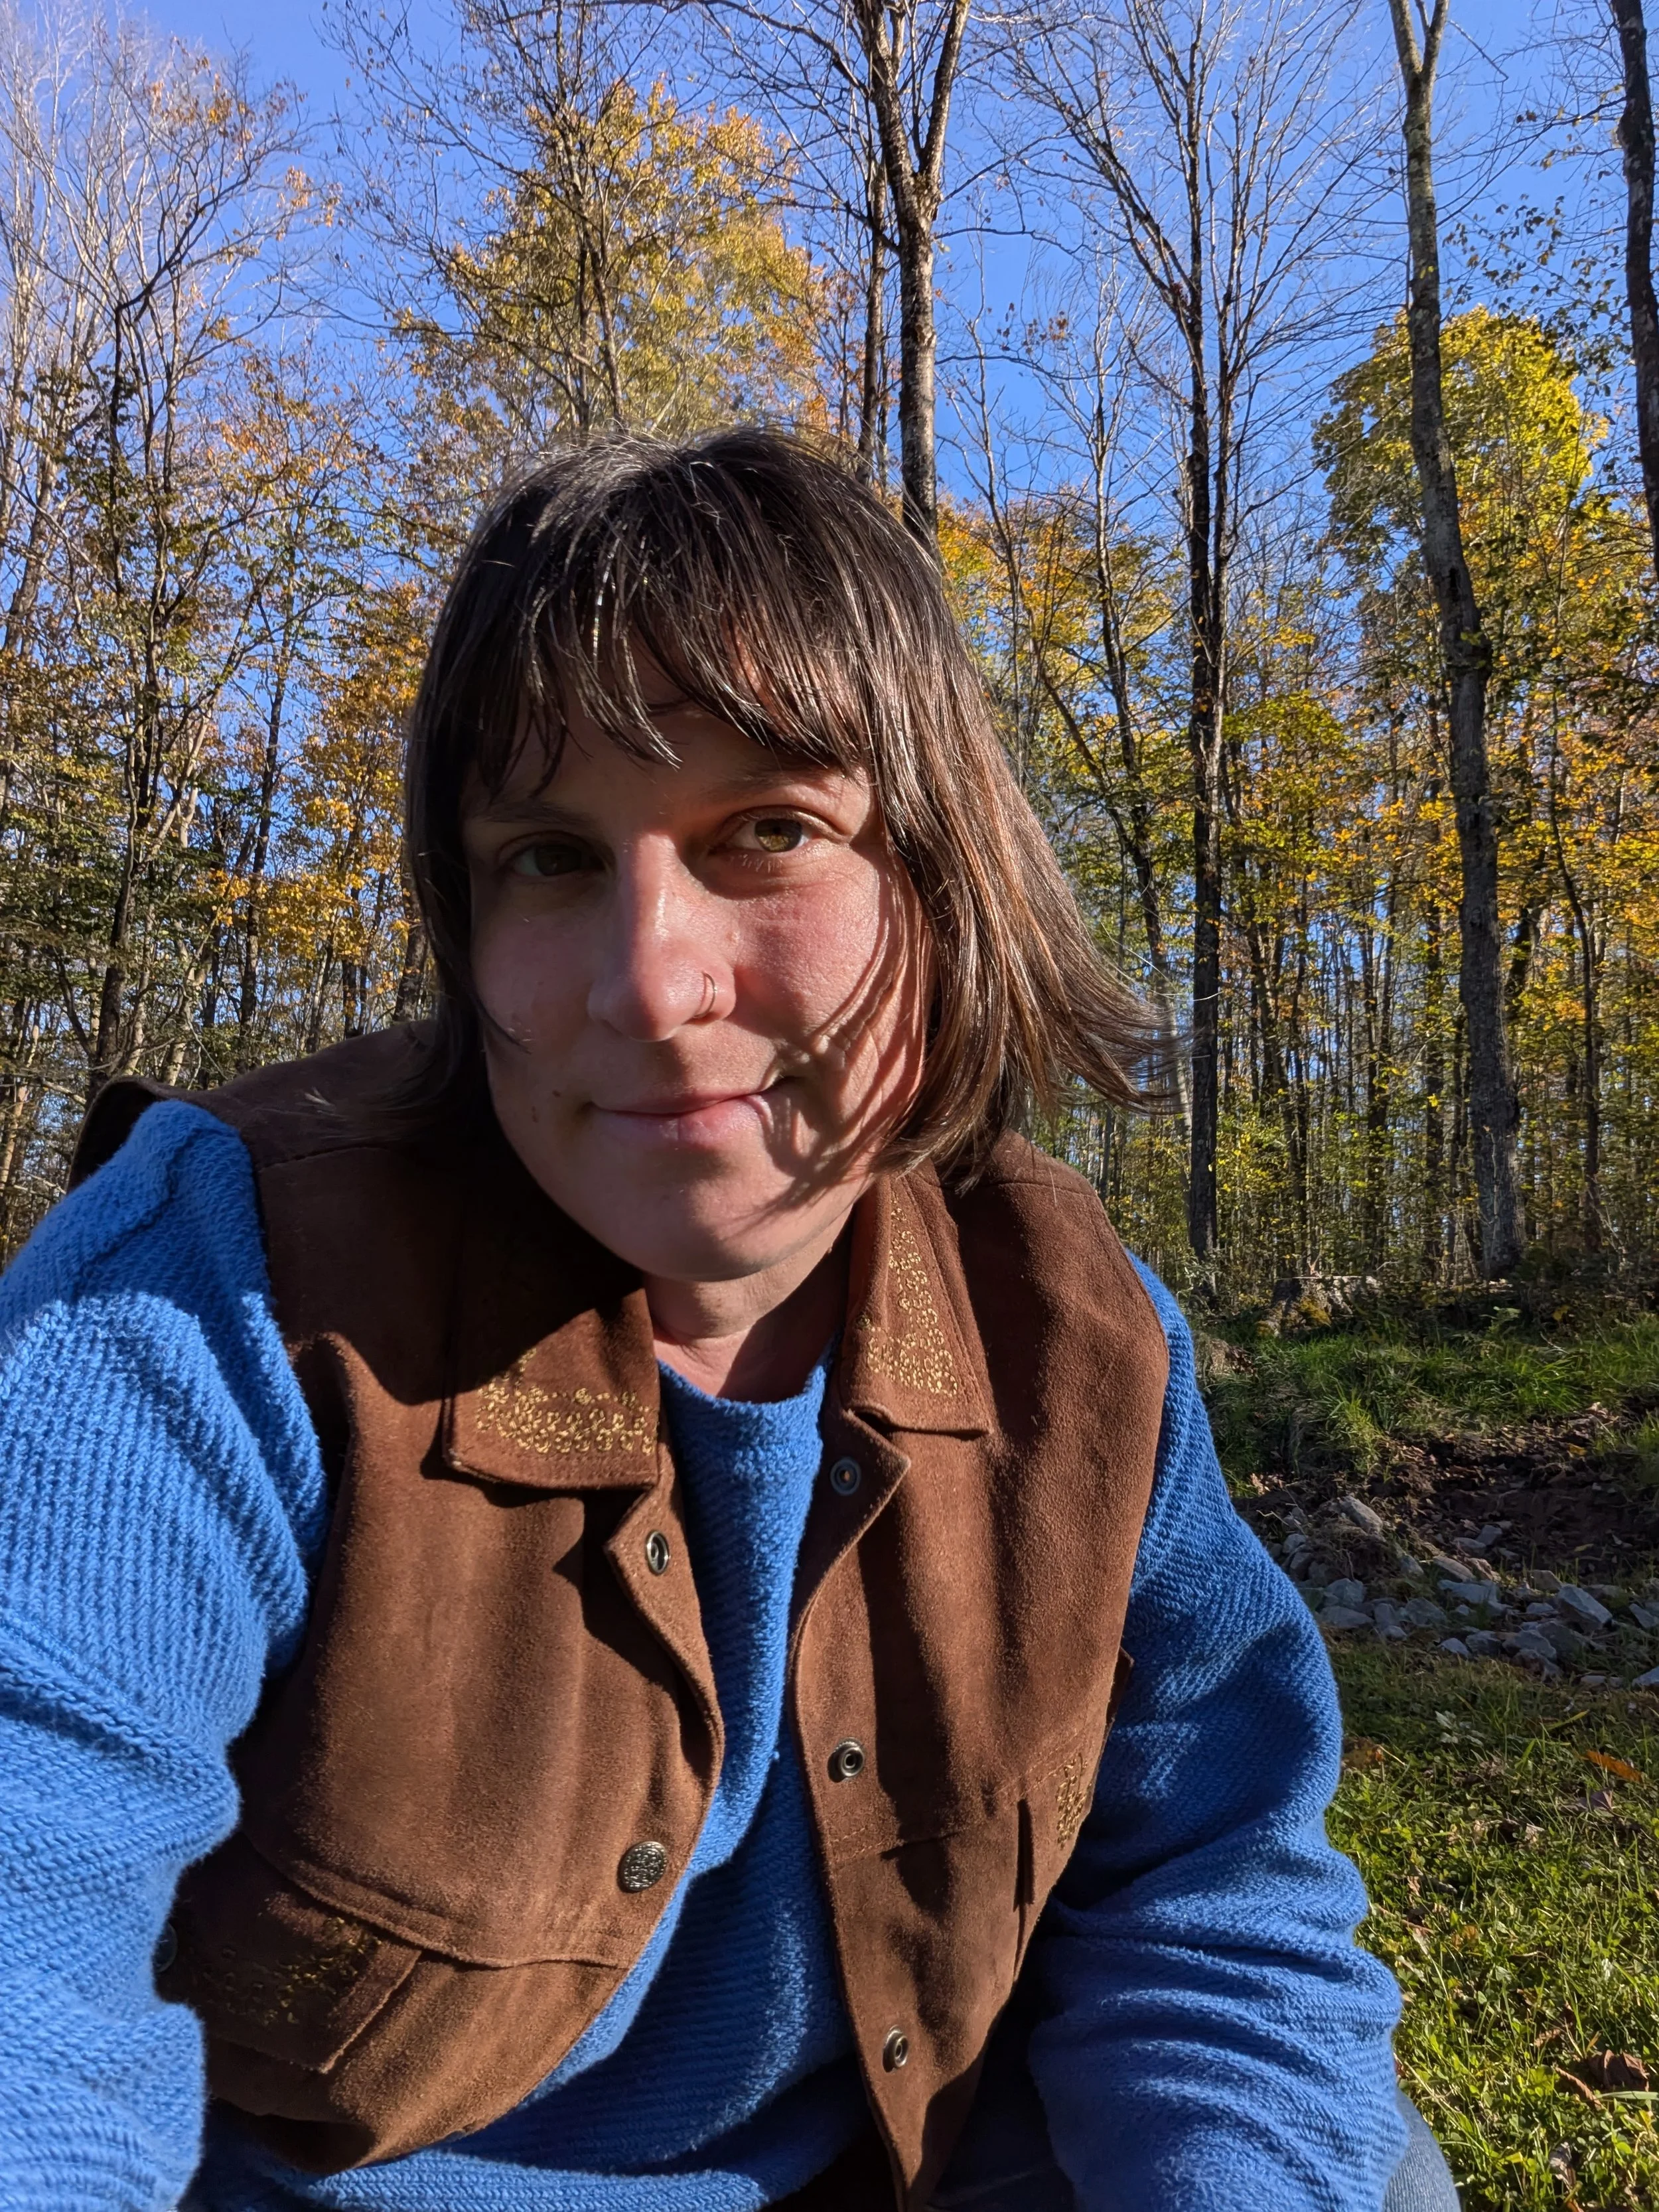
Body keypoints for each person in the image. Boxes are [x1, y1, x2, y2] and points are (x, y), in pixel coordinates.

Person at [0, 430, 1457, 2211]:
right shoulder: (214, 1283)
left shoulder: (1074, 1337)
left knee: (1352, 2161)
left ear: (946, 879)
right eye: (549, 856)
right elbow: (25, 1937)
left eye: (766, 832)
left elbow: (1207, 1897)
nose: (649, 980)